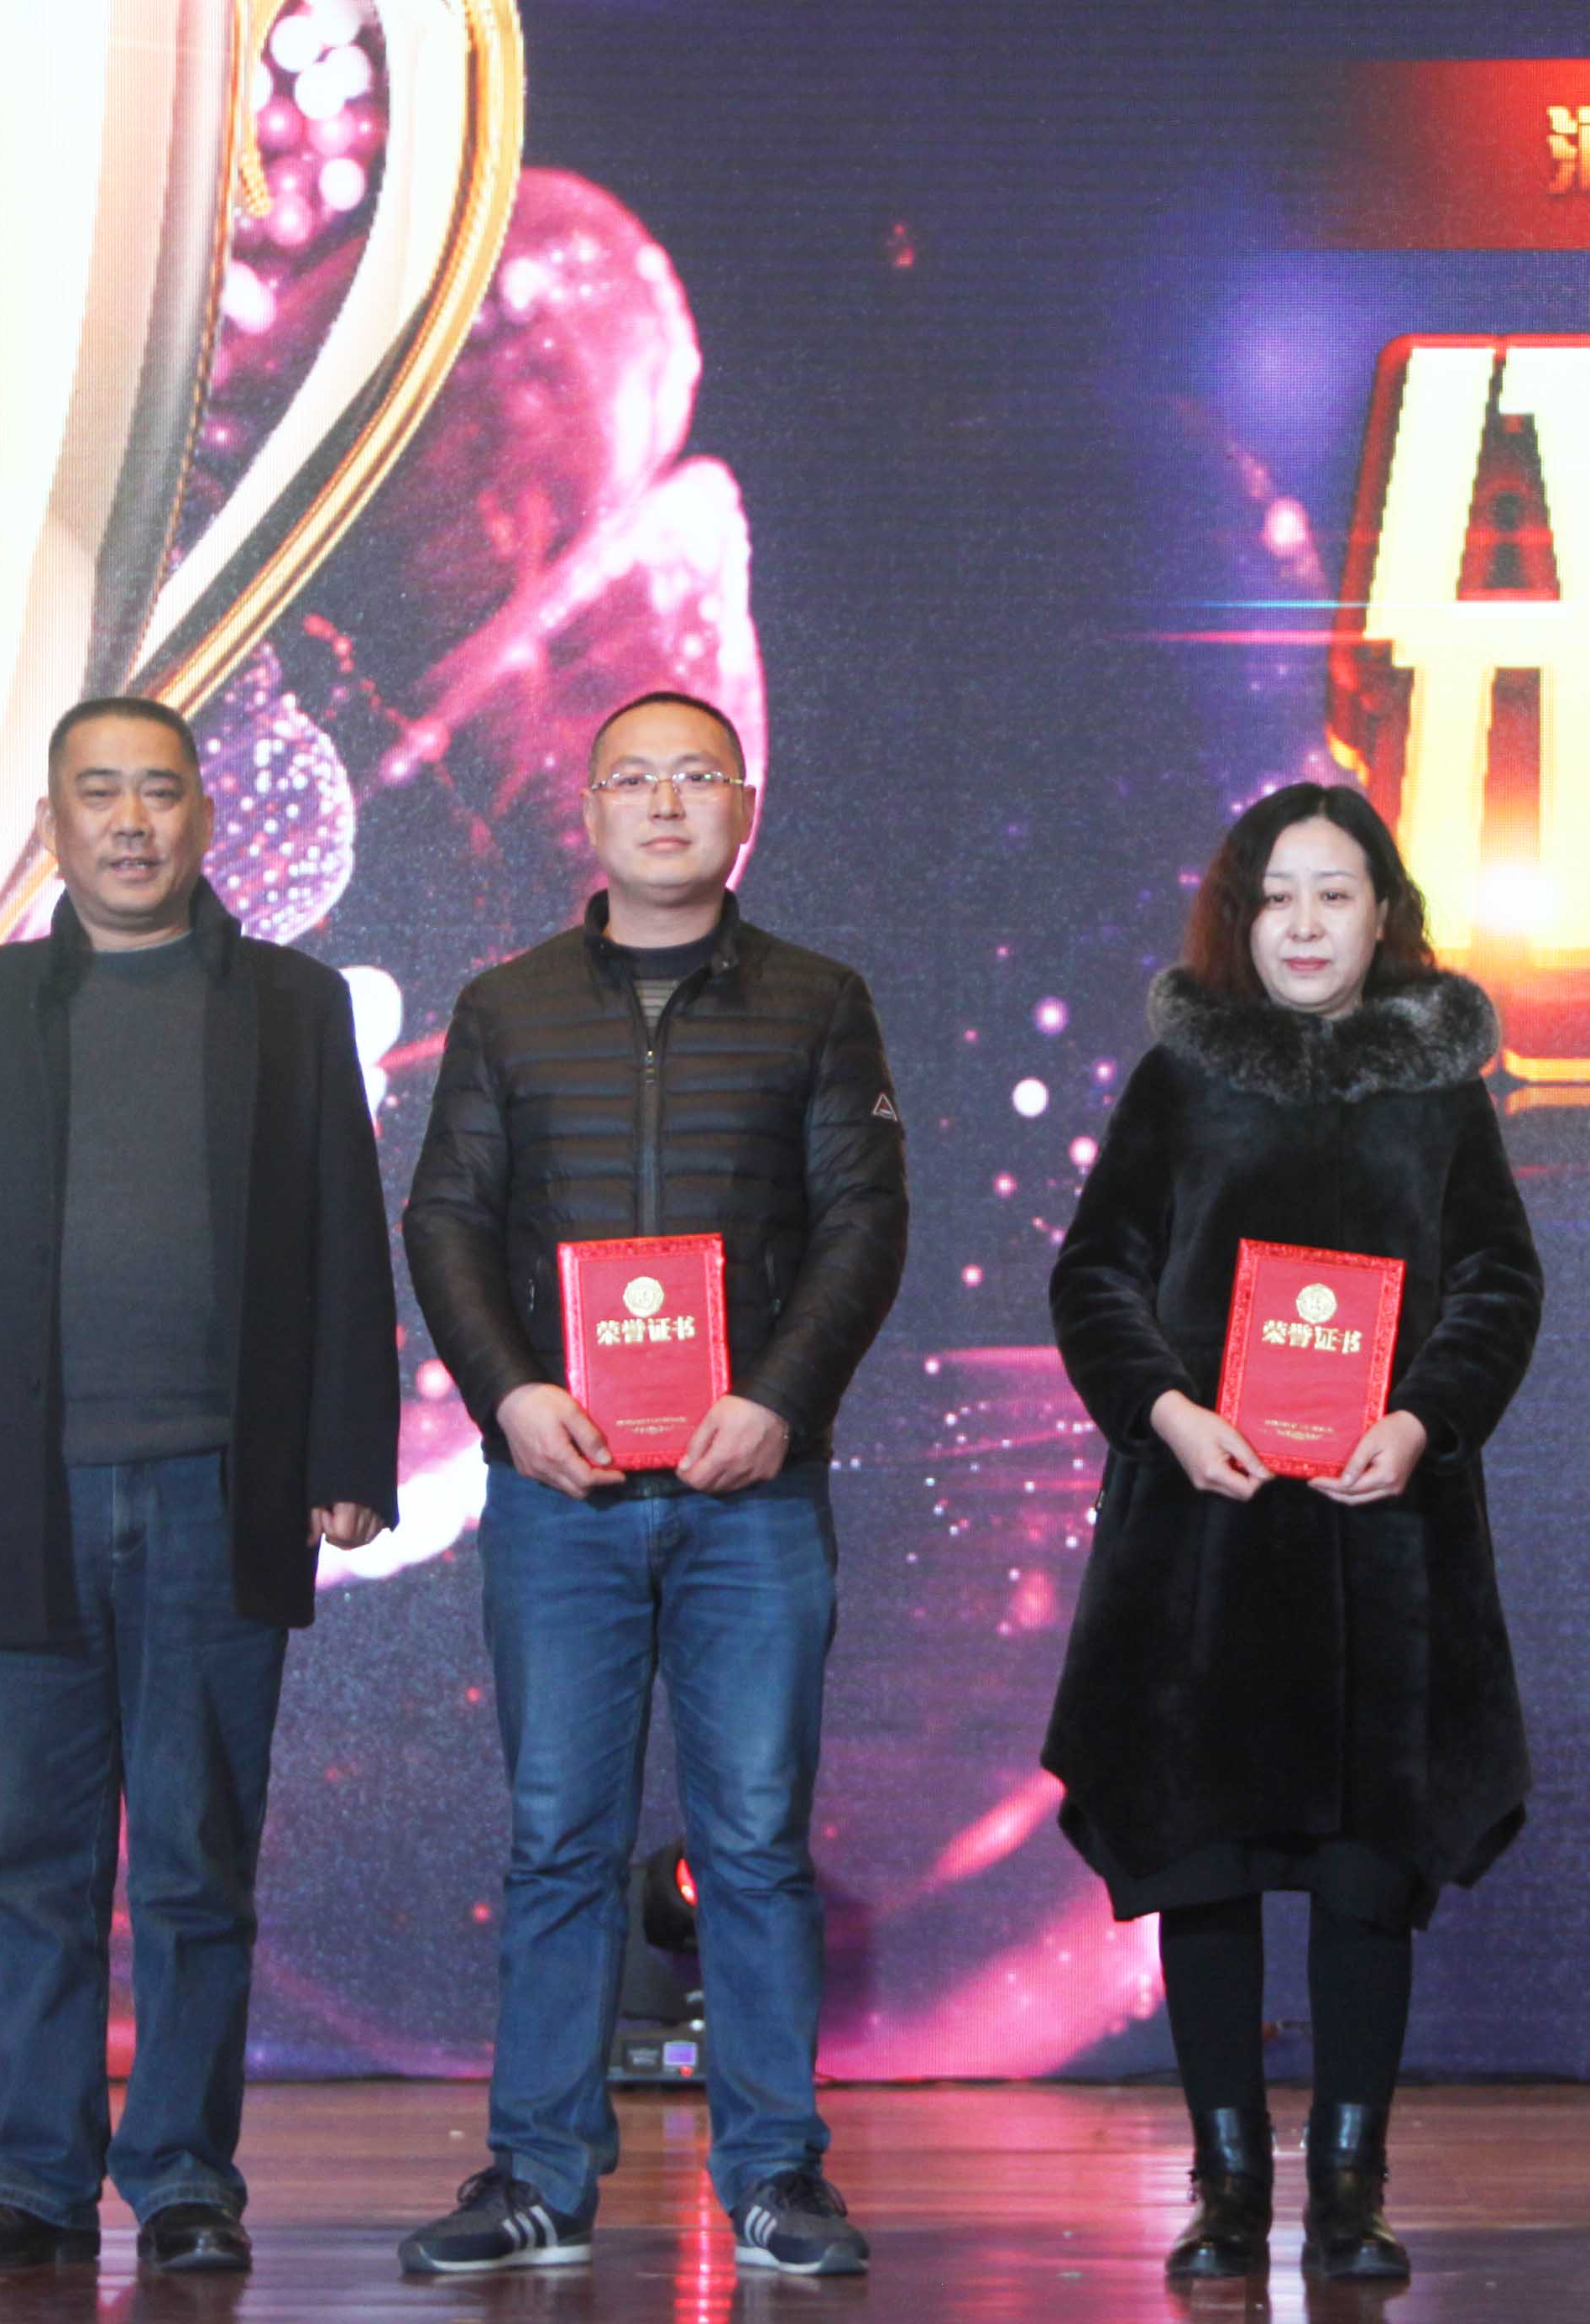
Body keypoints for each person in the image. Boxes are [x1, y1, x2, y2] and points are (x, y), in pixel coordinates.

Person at [0, 694, 400, 2277]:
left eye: (161, 791)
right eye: (101, 793)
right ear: (55, 823)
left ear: (204, 817)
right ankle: (34, 2180)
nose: (133, 822)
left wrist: (347, 1452)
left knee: (195, 1857)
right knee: (36, 1861)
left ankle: (184, 2179)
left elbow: (342, 1235)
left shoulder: (291, 1005)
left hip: (223, 1490)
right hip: (22, 1492)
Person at [395, 689, 907, 2280]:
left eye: (698, 777)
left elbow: (863, 1222)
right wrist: (510, 1395)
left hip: (752, 1491)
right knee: (559, 1839)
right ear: (591, 811)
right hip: (561, 1494)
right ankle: (539, 2175)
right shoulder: (507, 1006)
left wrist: (778, 1401)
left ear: (743, 807)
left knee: (754, 1840)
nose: (667, 803)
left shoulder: (817, 1001)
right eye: (636, 778)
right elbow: (447, 1219)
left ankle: (776, 2176)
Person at [1040, 783, 1540, 2285]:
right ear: (1237, 918)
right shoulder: (1180, 1079)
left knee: (1366, 1873)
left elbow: (1499, 1283)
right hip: (1204, 1532)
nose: (1305, 925)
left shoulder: (1440, 1087)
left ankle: (1349, 2190)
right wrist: (1167, 1413)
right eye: (1276, 897)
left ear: (1385, 916)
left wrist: (1425, 1420)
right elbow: (1095, 1275)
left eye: (1335, 894)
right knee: (1201, 1863)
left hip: (1385, 1539)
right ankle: (1227, 2188)